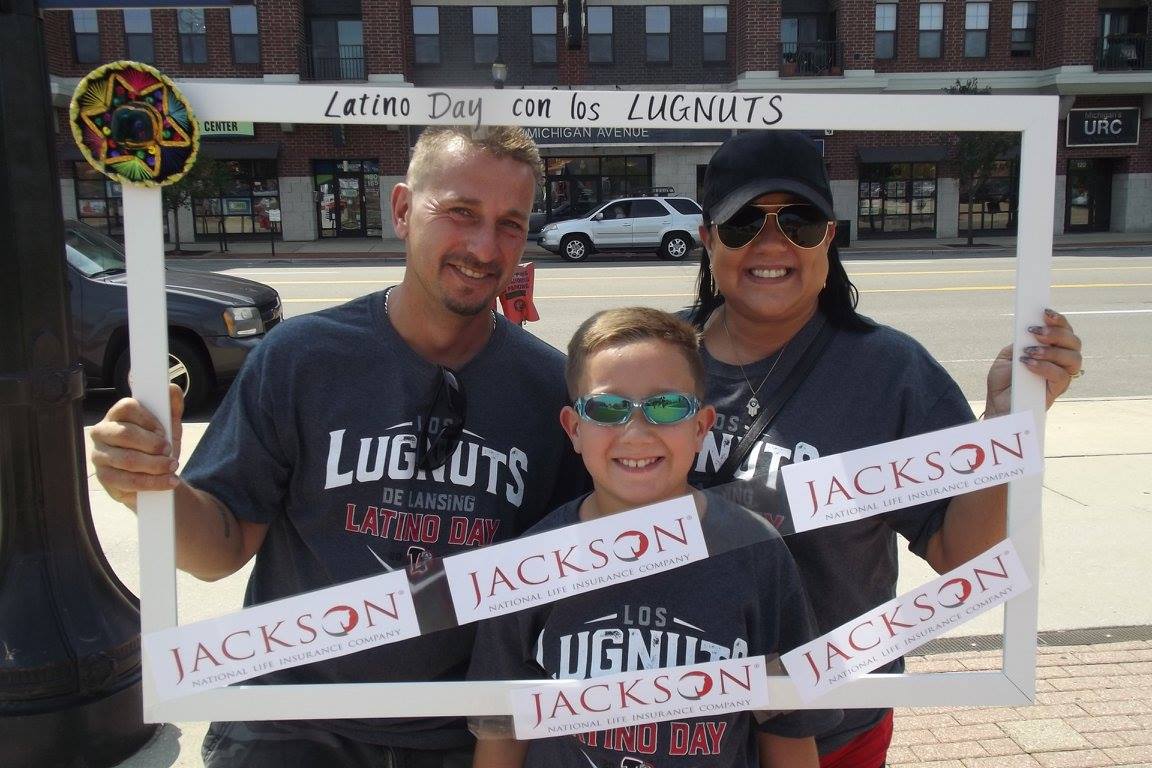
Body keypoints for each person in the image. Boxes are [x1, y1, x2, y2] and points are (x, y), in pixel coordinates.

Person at [89, 126, 588, 768]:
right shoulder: (303, 357)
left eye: (510, 224)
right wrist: (148, 488)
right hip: (292, 717)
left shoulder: (550, 389)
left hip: (461, 732)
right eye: (460, 213)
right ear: (403, 209)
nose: (485, 247)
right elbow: (219, 550)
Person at [684, 131, 1083, 768]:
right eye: (740, 224)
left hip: (835, 729)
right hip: (668, 727)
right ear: (708, 241)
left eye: (799, 220)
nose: (770, 244)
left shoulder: (891, 372)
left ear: (830, 236)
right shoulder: (654, 361)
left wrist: (1006, 428)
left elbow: (962, 555)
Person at [468, 307, 841, 768]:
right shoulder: (526, 567)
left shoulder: (756, 554)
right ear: (574, 429)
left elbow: (787, 732)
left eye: (667, 407)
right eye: (608, 407)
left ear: (701, 426)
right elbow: (501, 735)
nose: (637, 431)